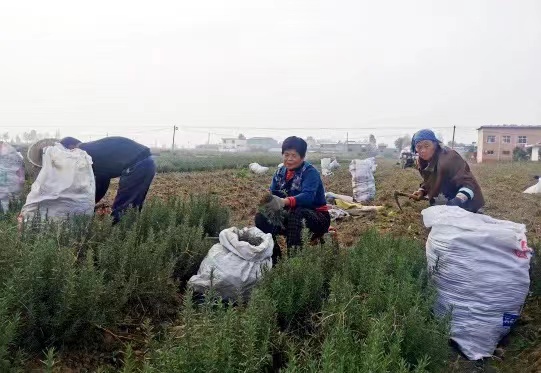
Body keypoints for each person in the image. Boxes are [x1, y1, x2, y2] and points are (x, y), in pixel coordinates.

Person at [255, 136, 330, 262]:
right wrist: (269, 202)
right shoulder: (279, 173)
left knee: (297, 213)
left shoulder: (310, 173)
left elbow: (308, 197)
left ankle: (294, 263)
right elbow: (273, 194)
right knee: (261, 217)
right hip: (289, 216)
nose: (289, 159)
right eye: (286, 155)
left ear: (302, 157)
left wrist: (284, 201)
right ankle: (274, 258)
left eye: (294, 155)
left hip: (317, 218)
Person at [60, 136, 156, 222]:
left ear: (71, 146)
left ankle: (119, 237)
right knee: (132, 206)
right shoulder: (93, 148)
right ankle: (129, 234)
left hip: (138, 165)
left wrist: (90, 204)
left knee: (123, 210)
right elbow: (103, 179)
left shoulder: (84, 152)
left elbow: (102, 182)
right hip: (147, 162)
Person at [410, 129, 484, 212]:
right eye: (419, 147)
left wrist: (457, 201)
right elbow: (429, 180)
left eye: (427, 146)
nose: (423, 150)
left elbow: (469, 185)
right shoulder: (422, 162)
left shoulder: (450, 158)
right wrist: (422, 191)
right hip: (445, 205)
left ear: (435, 145)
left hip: (468, 205)